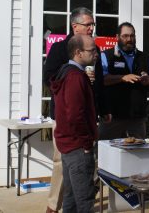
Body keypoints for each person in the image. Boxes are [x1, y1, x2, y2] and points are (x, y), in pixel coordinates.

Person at [43, 7, 110, 213]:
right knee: (62, 166)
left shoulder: (93, 48)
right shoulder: (60, 49)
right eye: (88, 24)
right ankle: (53, 206)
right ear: (75, 26)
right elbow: (49, 79)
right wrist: (75, 73)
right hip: (66, 117)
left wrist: (103, 108)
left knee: (81, 173)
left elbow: (99, 84)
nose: (91, 28)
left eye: (93, 24)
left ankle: (71, 205)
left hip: (87, 113)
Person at [50, 35, 98, 213]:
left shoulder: (66, 72)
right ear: (78, 53)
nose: (96, 54)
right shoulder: (74, 77)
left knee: (71, 198)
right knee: (84, 201)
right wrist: (86, 143)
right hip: (78, 147)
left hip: (69, 145)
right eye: (92, 50)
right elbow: (75, 115)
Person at [99, 22, 149, 140]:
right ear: (117, 37)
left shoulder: (145, 58)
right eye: (125, 36)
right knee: (106, 153)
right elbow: (101, 80)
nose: (129, 39)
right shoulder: (106, 56)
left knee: (137, 155)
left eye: (132, 36)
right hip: (112, 117)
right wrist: (122, 78)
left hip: (137, 118)